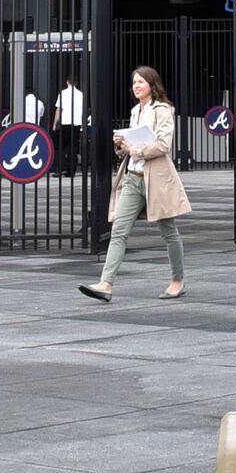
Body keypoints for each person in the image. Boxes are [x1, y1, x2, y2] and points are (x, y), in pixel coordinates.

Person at [81, 63, 191, 302]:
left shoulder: (163, 109)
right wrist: (121, 145)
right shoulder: (134, 111)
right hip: (132, 178)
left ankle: (177, 280)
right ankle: (106, 284)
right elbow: (129, 150)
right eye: (134, 83)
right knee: (119, 230)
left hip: (156, 180)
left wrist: (135, 149)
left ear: (152, 84)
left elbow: (163, 145)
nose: (136, 86)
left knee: (168, 231)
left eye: (141, 81)